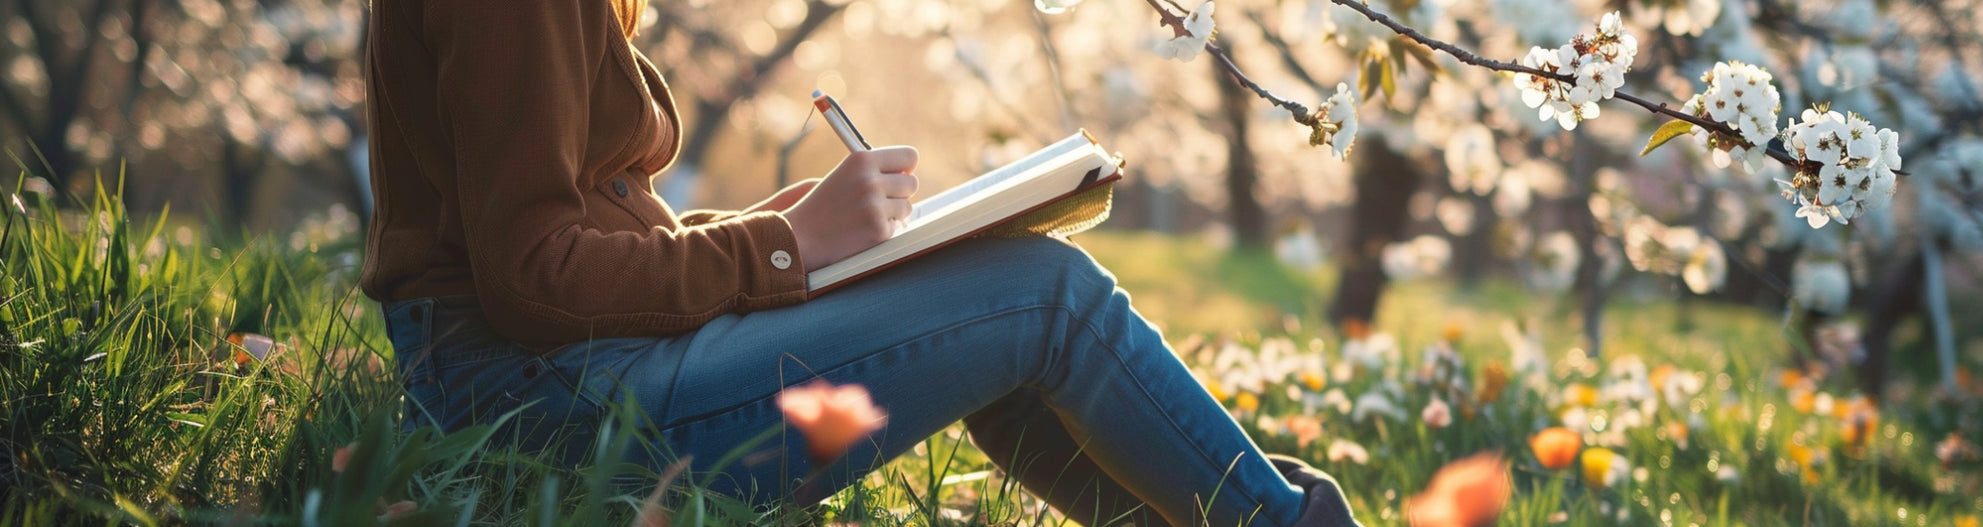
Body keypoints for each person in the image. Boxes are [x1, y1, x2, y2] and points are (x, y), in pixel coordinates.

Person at [359, 0, 1358, 525]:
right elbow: (532, 274)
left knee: (994, 296)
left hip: (565, 367)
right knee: (1046, 300)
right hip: (540, 398)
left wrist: (773, 226)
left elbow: (577, 226)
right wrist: (781, 248)